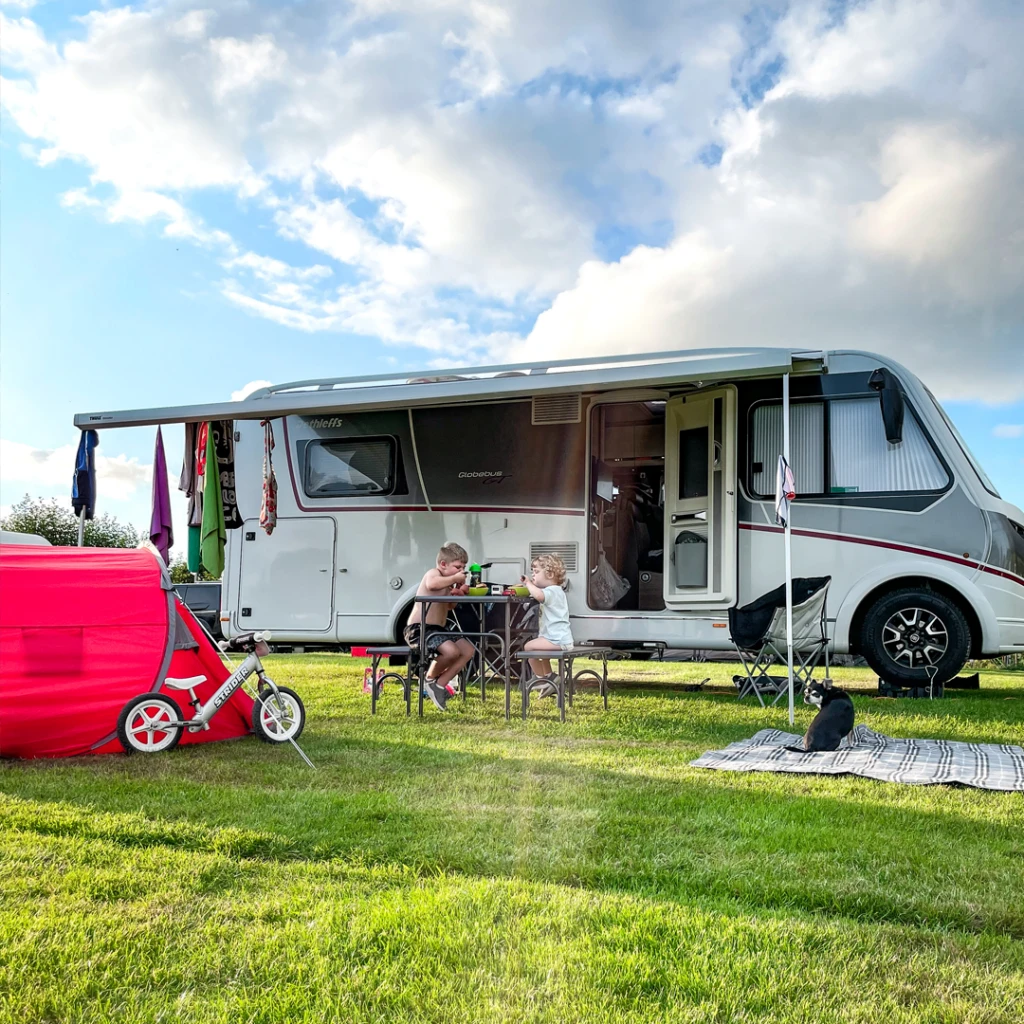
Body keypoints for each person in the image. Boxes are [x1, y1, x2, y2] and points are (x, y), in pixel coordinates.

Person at [403, 541, 476, 711]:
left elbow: (449, 607)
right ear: (443, 564)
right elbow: (432, 585)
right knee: (451, 652)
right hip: (419, 628)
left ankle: (439, 685)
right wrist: (454, 579)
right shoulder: (433, 574)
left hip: (438, 630)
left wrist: (458, 593)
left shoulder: (448, 583)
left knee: (467, 650)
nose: (461, 570)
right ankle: (429, 679)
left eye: (463, 567)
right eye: (458, 566)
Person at [520, 554, 574, 698]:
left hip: (557, 640)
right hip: (558, 638)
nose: (533, 575)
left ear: (549, 574)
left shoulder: (552, 591)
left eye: (536, 572)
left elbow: (539, 596)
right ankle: (551, 678)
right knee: (542, 653)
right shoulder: (556, 591)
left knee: (528, 647)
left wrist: (529, 584)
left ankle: (540, 679)